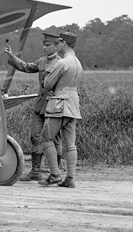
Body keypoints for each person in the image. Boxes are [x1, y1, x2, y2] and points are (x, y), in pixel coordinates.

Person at [4, 32, 63, 181]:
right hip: (40, 106)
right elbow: (26, 67)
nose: (45, 47)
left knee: (54, 139)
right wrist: (11, 56)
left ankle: (55, 172)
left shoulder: (61, 63)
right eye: (44, 45)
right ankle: (36, 171)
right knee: (35, 137)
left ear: (56, 46)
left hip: (54, 106)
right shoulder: (42, 61)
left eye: (48, 45)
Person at [38, 31, 82, 188]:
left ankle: (55, 174)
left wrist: (47, 85)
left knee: (45, 138)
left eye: (58, 43)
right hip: (73, 105)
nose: (56, 45)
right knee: (70, 144)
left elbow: (47, 84)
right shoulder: (77, 62)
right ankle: (70, 178)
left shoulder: (62, 63)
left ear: (65, 43)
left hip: (58, 104)